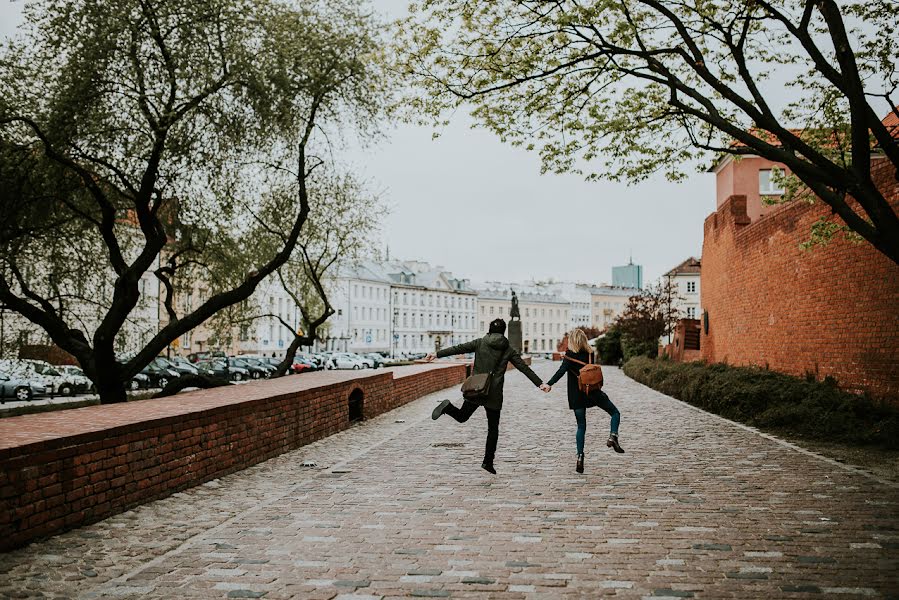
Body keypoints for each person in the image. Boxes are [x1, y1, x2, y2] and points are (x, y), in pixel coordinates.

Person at [425, 318, 549, 474]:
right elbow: (524, 368)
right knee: (492, 429)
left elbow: (458, 348)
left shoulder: (480, 342)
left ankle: (448, 407)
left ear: (490, 330)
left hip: (476, 388)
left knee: (462, 416)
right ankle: (487, 462)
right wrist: (540, 384)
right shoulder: (508, 349)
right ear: (503, 332)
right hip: (494, 394)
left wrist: (436, 354)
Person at [545, 328, 624, 474]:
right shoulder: (590, 353)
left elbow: (561, 372)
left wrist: (549, 384)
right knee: (615, 412)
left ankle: (580, 456)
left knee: (581, 426)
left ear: (572, 340)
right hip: (593, 392)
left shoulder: (569, 356)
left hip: (577, 395)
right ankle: (613, 435)